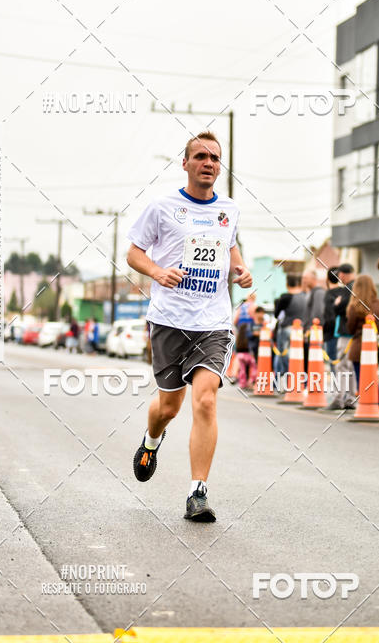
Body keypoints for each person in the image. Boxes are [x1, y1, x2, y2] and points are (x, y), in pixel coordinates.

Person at [127, 130, 252, 522]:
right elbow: (133, 252)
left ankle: (198, 492)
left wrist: (241, 268)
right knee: (168, 405)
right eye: (200, 156)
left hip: (212, 322)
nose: (208, 163)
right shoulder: (162, 207)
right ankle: (151, 439)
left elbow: (230, 246)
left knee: (205, 399)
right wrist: (157, 272)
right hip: (169, 320)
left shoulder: (228, 210)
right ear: (185, 163)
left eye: (215, 158)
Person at [326, 263, 357, 410]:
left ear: (342, 274)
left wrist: (337, 304)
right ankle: (350, 399)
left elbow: (340, 308)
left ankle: (338, 399)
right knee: (349, 368)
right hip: (352, 333)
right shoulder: (356, 287)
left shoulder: (348, 289)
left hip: (345, 332)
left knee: (342, 366)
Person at [346, 276, 379, 388]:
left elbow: (350, 329)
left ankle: (364, 403)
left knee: (361, 381)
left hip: (358, 347)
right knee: (373, 379)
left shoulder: (354, 306)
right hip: (374, 348)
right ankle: (377, 404)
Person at [273, 275, 306, 378]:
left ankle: (283, 378)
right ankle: (296, 378)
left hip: (286, 327)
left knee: (283, 354)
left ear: (287, 284)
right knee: (297, 355)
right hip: (300, 330)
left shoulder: (285, 297)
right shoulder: (305, 296)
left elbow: (276, 315)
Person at [322, 267, 342, 366]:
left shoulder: (328, 295)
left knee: (334, 364)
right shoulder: (344, 292)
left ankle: (336, 382)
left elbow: (329, 317)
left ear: (327, 279)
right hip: (343, 333)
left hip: (331, 334)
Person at [234, 323, 257, 390]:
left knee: (242, 370)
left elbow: (236, 348)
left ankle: (242, 384)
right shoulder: (248, 338)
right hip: (248, 355)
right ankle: (251, 381)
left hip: (240, 355)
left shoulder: (239, 337)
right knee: (254, 368)